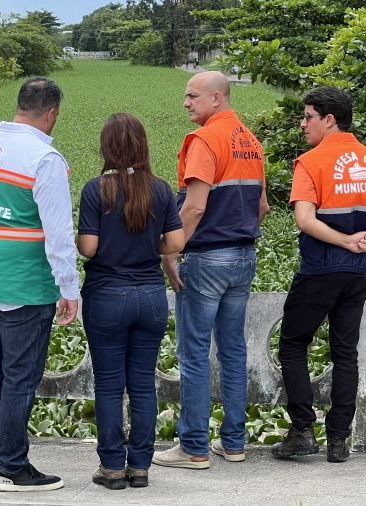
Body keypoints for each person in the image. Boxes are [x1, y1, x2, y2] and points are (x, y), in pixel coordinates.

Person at [0, 77, 79, 492]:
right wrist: (69, 289)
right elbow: (59, 234)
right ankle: (12, 466)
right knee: (20, 376)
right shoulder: (44, 159)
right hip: (24, 282)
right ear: (51, 113)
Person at [153, 71, 269, 469]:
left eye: (192, 96)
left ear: (216, 98)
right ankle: (233, 443)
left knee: (194, 354)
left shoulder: (204, 139)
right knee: (233, 351)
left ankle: (193, 447)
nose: (186, 103)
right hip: (243, 256)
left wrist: (170, 251)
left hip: (206, 259)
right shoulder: (251, 141)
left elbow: (194, 206)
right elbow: (262, 207)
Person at [272, 87, 366, 463]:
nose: (303, 124)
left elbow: (305, 220)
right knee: (344, 353)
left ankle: (302, 431)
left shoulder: (311, 162)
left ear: (329, 120)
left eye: (308, 116)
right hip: (358, 274)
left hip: (320, 269)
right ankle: (338, 440)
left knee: (293, 345)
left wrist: (344, 241)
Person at [77, 113, 185, 489]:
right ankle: (139, 466)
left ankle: (111, 467)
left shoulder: (96, 190)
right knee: (142, 384)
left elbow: (89, 248)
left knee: (109, 385)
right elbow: (176, 243)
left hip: (108, 295)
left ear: (106, 147)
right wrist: (148, 244)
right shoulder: (160, 189)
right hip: (151, 297)